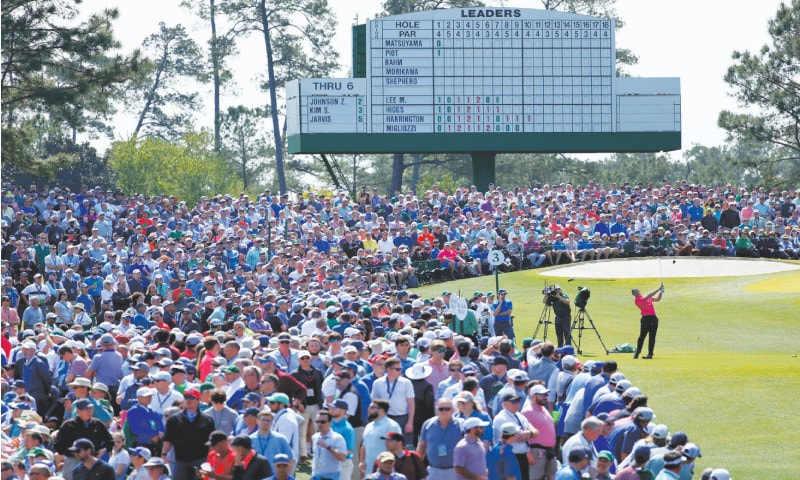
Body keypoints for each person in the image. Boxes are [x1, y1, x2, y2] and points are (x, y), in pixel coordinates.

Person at [161, 389, 215, 480]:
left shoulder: (207, 419)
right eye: (186, 398)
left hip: (200, 459)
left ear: (198, 400)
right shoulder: (174, 419)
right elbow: (168, 439)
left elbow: (211, 442)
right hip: (181, 460)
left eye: (192, 398)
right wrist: (164, 454)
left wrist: (210, 459)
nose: (188, 400)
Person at [53, 399, 114, 480]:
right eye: (87, 409)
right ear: (78, 411)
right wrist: (74, 453)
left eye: (91, 409)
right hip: (72, 460)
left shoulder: (97, 423)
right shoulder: (68, 425)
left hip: (93, 461)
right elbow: (58, 445)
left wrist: (104, 449)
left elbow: (110, 440)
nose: (90, 411)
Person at [491, 392, 539, 480]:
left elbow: (536, 432)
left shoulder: (520, 416)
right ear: (504, 404)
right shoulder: (501, 418)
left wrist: (528, 434)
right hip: (508, 456)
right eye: (513, 401)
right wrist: (529, 433)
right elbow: (517, 437)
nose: (517, 404)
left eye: (518, 401)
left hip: (522, 456)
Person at [418, 397, 464, 480]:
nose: (444, 411)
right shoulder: (428, 424)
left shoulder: (461, 425)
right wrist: (417, 465)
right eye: (441, 409)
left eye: (447, 409)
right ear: (436, 410)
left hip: (455, 471)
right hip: (433, 471)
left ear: (453, 410)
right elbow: (422, 445)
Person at [359, 399, 402, 478]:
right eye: (369, 407)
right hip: (369, 472)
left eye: (372, 407)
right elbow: (364, 445)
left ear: (381, 410)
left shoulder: (392, 426)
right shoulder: (368, 426)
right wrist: (362, 462)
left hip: (385, 472)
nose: (369, 409)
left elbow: (397, 448)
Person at [311, 410, 347, 480]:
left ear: (330, 422)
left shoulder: (337, 438)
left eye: (323, 422)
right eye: (317, 422)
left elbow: (342, 458)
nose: (319, 424)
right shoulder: (314, 437)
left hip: (331, 477)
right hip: (316, 475)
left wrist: (328, 447)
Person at [631, 286, 663, 360]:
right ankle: (637, 352)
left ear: (639, 291)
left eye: (636, 292)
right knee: (642, 337)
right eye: (634, 293)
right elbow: (649, 295)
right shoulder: (638, 300)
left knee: (652, 337)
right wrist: (658, 289)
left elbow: (658, 299)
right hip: (645, 319)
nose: (635, 293)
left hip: (653, 319)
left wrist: (661, 292)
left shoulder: (646, 298)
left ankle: (650, 354)